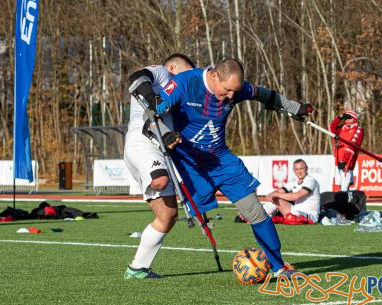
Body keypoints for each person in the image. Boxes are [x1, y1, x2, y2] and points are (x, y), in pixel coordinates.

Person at [155, 58, 313, 278]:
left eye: (235, 91)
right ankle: (140, 265)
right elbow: (153, 109)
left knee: (255, 212)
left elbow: (264, 94)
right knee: (167, 216)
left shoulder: (237, 89)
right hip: (189, 164)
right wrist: (164, 132)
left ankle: (279, 267)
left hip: (222, 161)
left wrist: (295, 108)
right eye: (227, 90)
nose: (231, 96)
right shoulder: (184, 83)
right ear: (215, 76)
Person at [123, 53, 195, 279]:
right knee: (162, 180)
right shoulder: (162, 74)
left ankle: (137, 269)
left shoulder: (177, 96)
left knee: (168, 215)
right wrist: (154, 102)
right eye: (184, 75)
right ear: (173, 68)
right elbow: (138, 77)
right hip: (142, 143)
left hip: (155, 149)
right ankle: (156, 178)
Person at [264, 159, 320, 224]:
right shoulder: (294, 182)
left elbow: (296, 196)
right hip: (295, 212)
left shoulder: (311, 181)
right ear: (294, 170)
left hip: (310, 216)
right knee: (276, 199)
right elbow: (279, 191)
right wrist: (271, 195)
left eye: (301, 168)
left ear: (306, 168)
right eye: (296, 169)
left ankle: (264, 217)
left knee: (294, 214)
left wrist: (276, 194)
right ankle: (260, 215)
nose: (299, 172)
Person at [329, 103, 364, 192]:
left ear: (354, 119)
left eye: (349, 118)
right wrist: (339, 118)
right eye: (346, 118)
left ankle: (346, 202)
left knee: (345, 185)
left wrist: (344, 160)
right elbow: (332, 129)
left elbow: (353, 145)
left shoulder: (358, 129)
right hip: (338, 158)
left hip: (347, 161)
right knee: (340, 184)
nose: (347, 120)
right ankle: (343, 202)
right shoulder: (342, 128)